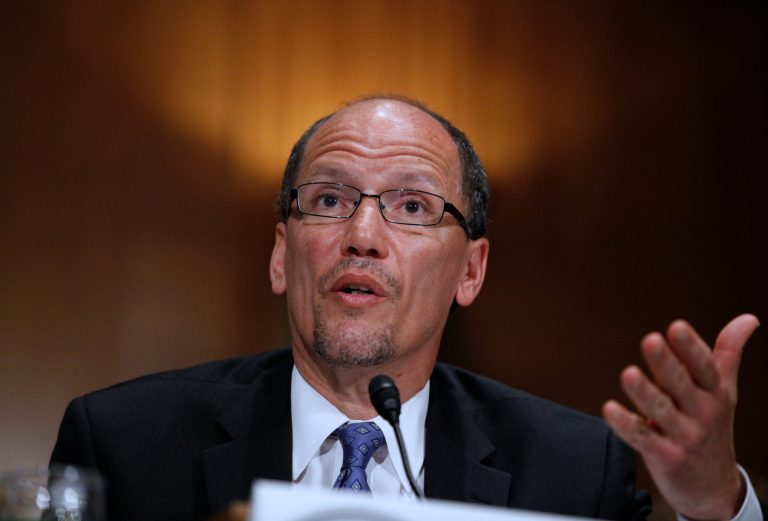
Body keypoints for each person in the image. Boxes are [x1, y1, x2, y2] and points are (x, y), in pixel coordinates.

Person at [51, 95, 764, 521]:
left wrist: (711, 503)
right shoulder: (121, 446)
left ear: (471, 270)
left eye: (413, 206)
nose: (362, 236)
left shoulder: (572, 471)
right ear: (281, 254)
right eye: (329, 200)